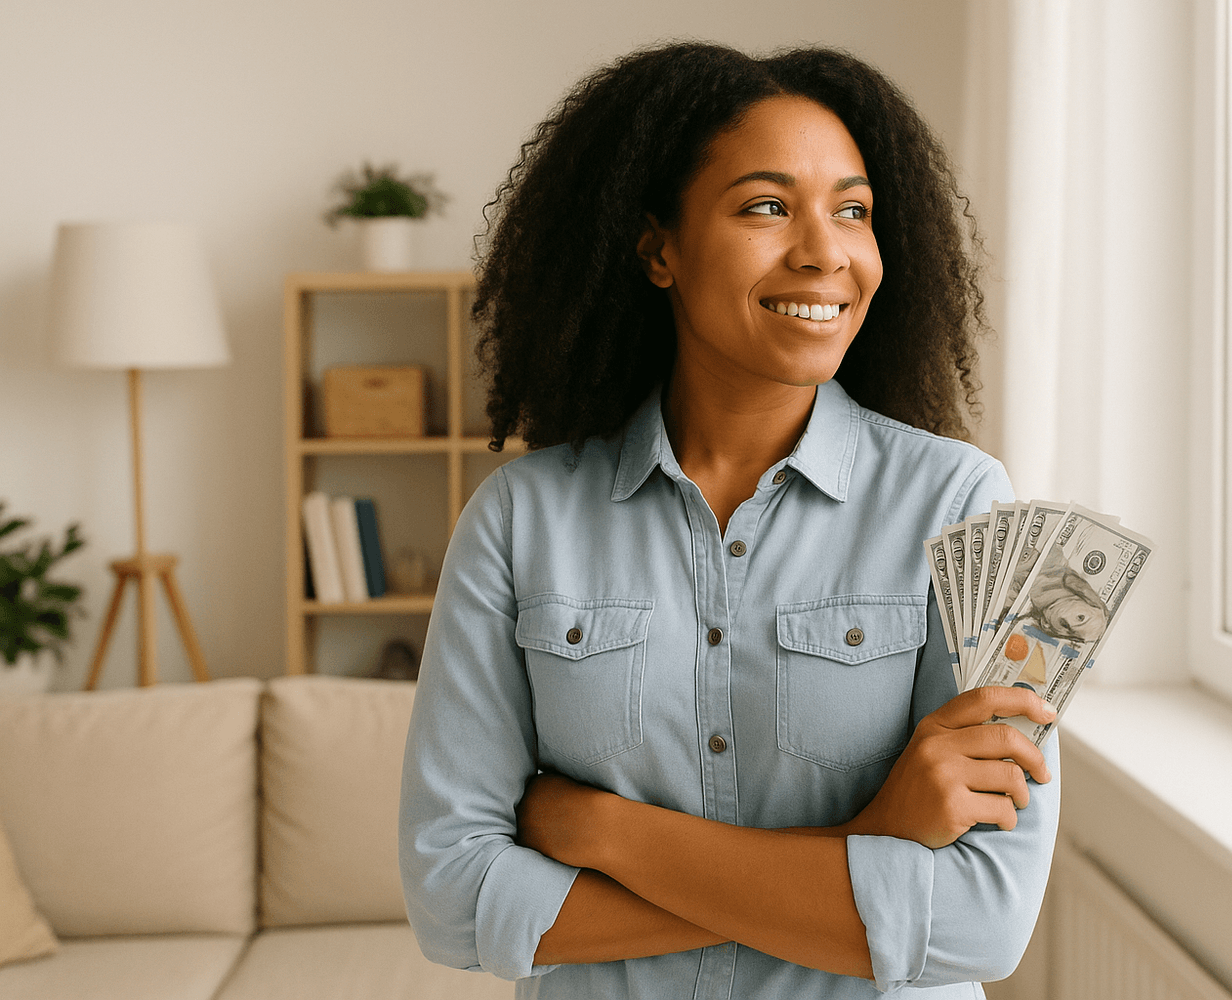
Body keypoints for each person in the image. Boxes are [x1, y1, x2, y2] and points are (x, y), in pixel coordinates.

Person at [399, 41, 1060, 999]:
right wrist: (864, 846)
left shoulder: (969, 509)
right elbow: (452, 897)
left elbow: (979, 923)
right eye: (765, 207)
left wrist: (605, 833)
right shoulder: (517, 519)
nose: (824, 251)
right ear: (657, 247)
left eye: (853, 210)